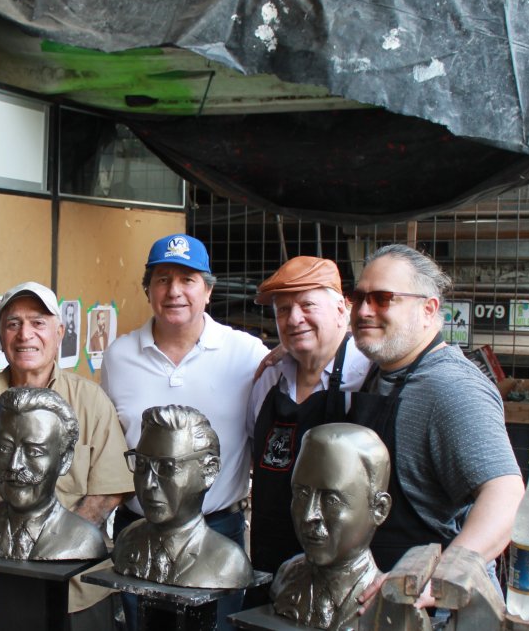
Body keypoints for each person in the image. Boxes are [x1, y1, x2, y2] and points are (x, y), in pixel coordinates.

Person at [0, 281, 132, 630]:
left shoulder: (91, 401)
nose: (25, 334)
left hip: (76, 586)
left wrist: (58, 541)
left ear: (59, 332)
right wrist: (1, 537)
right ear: (1, 335)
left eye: (38, 322)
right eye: (13, 323)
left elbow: (110, 488)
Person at [101, 233, 267, 628]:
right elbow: (110, 442)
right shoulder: (119, 356)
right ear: (148, 290)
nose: (174, 291)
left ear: (207, 291)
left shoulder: (247, 354)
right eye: (162, 279)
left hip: (216, 531)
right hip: (139, 530)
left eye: (187, 280)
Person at [348, 244, 523, 607]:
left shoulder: (451, 387)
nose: (364, 311)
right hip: (381, 601)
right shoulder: (380, 371)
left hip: (436, 612)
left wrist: (437, 577)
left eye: (382, 299)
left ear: (428, 310)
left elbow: (506, 497)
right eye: (359, 298)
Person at [247, 257, 371, 584]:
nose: (294, 318)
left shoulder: (368, 377)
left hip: (339, 569)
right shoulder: (268, 378)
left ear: (342, 310)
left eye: (307, 305)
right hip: (269, 559)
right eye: (283, 310)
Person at [113, 405, 252, 589]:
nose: (148, 483)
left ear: (208, 471)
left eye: (167, 467)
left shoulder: (227, 562)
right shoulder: (126, 540)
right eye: (141, 464)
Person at [271, 423, 391, 629]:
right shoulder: (286, 577)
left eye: (331, 500)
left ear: (379, 509)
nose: (309, 515)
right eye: (302, 494)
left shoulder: (392, 608)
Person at [0, 387, 107, 561]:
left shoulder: (84, 539)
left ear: (65, 459)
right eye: (4, 448)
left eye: (33, 452)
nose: (15, 465)